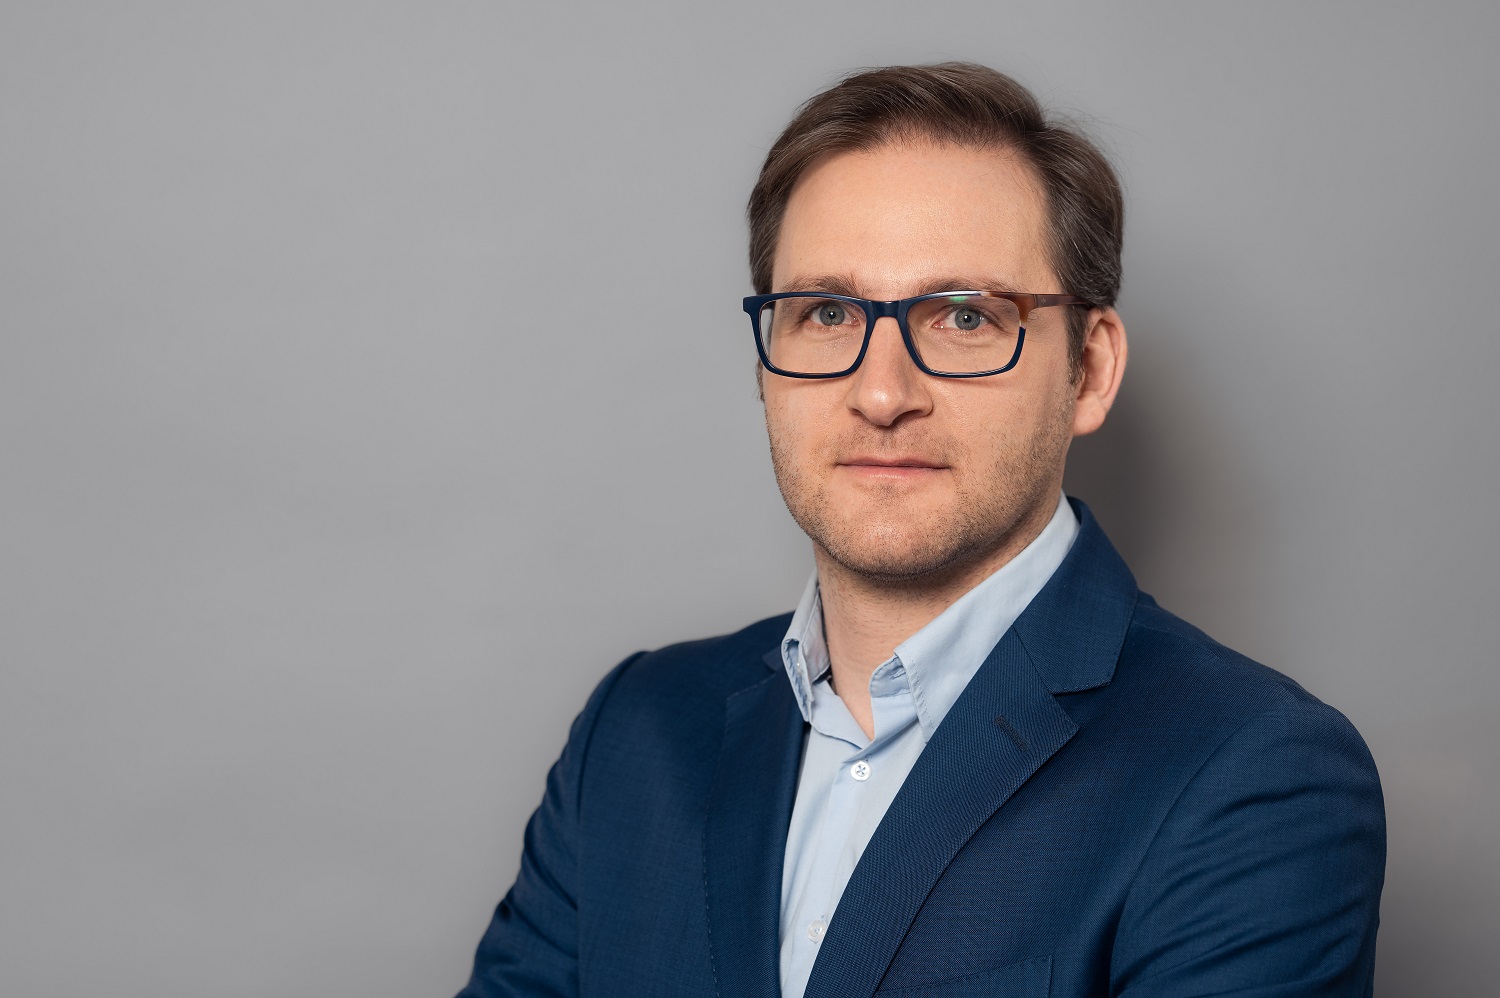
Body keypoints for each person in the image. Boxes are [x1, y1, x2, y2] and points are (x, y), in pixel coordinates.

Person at [456, 62, 1385, 998]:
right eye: (826, 313)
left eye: (964, 318)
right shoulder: (636, 731)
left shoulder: (1250, 772)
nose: (882, 393)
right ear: (766, 364)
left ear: (1090, 371)